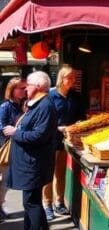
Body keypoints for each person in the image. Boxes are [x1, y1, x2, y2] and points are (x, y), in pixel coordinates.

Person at [3, 70, 58, 230]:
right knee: (30, 202)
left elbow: (39, 136)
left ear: (39, 86)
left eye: (28, 85)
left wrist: (16, 132)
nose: (26, 89)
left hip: (34, 164)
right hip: (30, 163)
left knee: (31, 203)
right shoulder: (38, 104)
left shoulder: (45, 106)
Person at [43, 65, 85, 221]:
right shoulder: (50, 96)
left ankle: (59, 202)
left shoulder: (76, 96)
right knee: (47, 174)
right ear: (61, 78)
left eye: (74, 77)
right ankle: (47, 205)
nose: (73, 80)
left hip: (67, 141)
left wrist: (79, 125)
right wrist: (58, 127)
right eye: (70, 77)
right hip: (50, 139)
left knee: (60, 173)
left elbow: (81, 116)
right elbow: (43, 119)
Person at [0, 77, 26, 220]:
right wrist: (15, 130)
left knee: (6, 180)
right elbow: (1, 126)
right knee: (3, 179)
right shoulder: (5, 107)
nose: (24, 90)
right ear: (12, 90)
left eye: (25, 88)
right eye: (21, 88)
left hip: (15, 148)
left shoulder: (23, 105)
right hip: (5, 147)